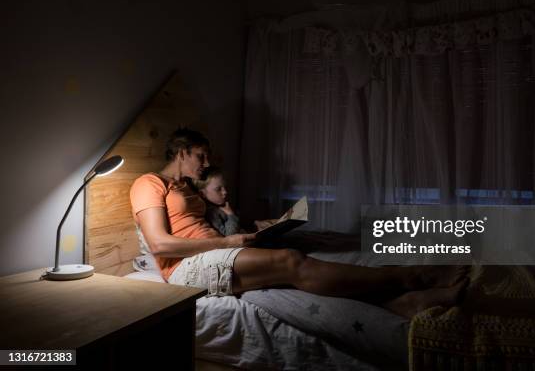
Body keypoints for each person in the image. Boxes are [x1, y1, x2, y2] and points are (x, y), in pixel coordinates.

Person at [130, 128, 468, 318]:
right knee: (290, 262)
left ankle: (401, 303)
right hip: (185, 269)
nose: (206, 163)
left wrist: (256, 228)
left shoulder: (187, 189)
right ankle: (408, 277)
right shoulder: (148, 183)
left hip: (214, 251)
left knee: (289, 258)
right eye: (201, 156)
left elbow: (213, 224)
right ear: (181, 152)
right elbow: (160, 245)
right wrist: (229, 243)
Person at [194, 166, 243, 236]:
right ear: (202, 194)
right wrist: (231, 215)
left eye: (225, 187)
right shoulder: (211, 213)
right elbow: (229, 235)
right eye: (218, 189)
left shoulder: (222, 205)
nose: (225, 192)